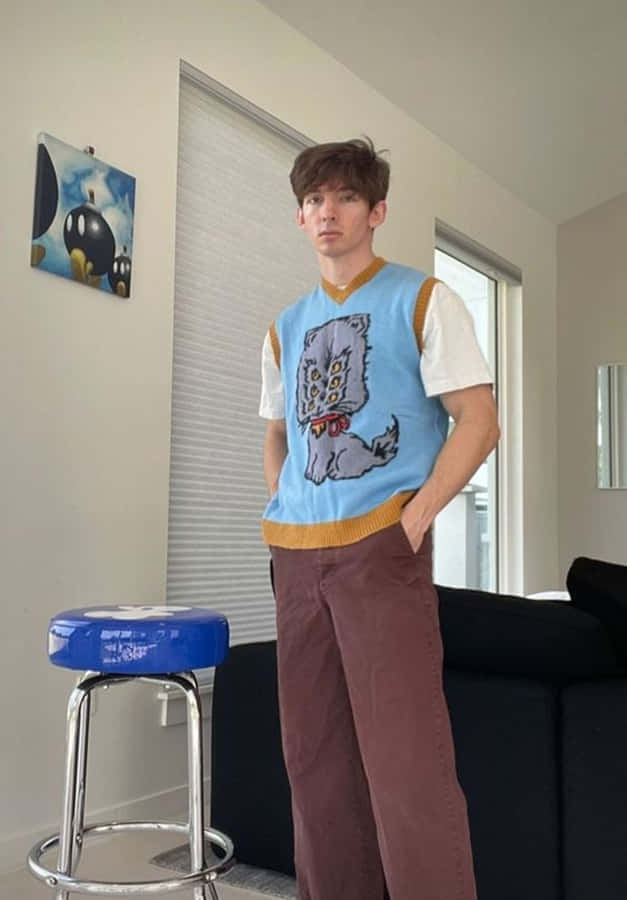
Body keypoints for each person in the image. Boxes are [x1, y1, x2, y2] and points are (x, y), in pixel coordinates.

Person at [258, 137, 499, 900]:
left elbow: (478, 420)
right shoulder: (283, 326)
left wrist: (416, 517)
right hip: (296, 558)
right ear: (299, 217)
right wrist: (283, 505)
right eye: (313, 200)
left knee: (405, 767)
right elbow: (276, 433)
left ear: (375, 211)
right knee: (314, 763)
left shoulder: (422, 299)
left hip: (378, 550)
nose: (326, 212)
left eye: (343, 198)